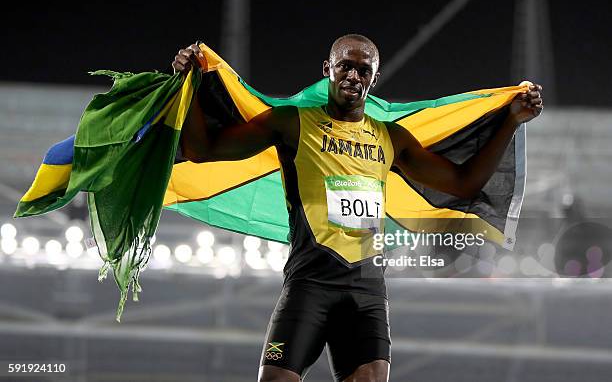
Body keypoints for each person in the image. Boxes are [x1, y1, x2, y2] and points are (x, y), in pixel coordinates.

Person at [172, 34, 543, 382]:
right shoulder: (292, 123)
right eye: (344, 66)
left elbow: (464, 184)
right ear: (327, 69)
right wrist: (189, 85)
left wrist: (510, 121)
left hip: (366, 291)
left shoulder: (390, 137)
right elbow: (201, 151)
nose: (353, 75)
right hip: (309, 285)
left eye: (363, 70)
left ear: (374, 78)